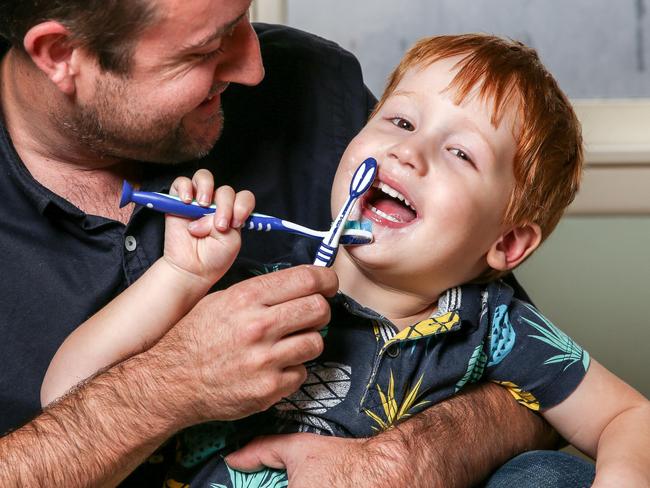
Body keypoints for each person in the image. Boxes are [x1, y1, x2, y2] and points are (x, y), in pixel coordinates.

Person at [0, 0, 580, 486]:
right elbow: (64, 392)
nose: (254, 67)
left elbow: (530, 385)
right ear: (60, 56)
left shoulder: (313, 87)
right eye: (207, 48)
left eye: (245, 14)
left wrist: (405, 460)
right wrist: (169, 383)